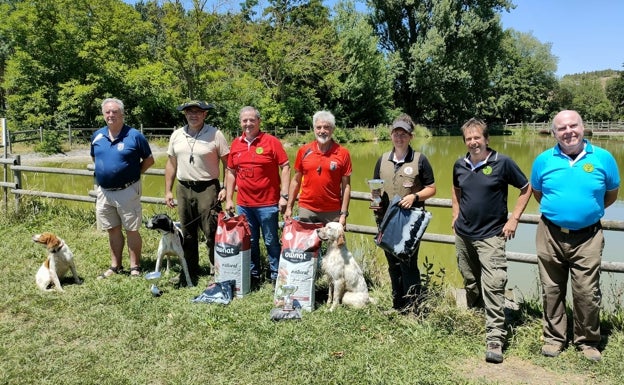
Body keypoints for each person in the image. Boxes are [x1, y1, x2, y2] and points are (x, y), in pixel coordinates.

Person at [531, 110, 620, 362]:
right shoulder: (543, 160)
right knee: (551, 289)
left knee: (587, 292)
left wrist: (585, 213)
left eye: (573, 125)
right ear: (553, 133)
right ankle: (554, 338)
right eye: (562, 128)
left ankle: (588, 340)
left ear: (583, 127)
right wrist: (561, 213)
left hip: (588, 236)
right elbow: (539, 193)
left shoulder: (604, 158)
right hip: (550, 232)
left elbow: (610, 195)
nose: (568, 131)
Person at [451, 118, 532, 364]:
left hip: (491, 236)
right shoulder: (459, 164)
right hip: (464, 235)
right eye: (469, 138)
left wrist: (514, 219)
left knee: (494, 285)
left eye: (477, 137)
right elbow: (456, 189)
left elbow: (526, 187)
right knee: (470, 279)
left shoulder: (502, 162)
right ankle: (476, 317)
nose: (473, 142)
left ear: (486, 139)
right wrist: (455, 214)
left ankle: (495, 337)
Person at [372, 114, 436, 314]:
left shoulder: (420, 159)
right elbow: (376, 188)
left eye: (404, 134)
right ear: (391, 135)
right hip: (386, 220)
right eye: (396, 133)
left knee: (408, 264)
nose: (399, 137)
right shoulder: (382, 160)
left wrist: (415, 197)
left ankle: (414, 308)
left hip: (409, 223)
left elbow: (432, 188)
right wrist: (374, 201)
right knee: (393, 264)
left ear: (411, 136)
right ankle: (397, 305)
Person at [164, 100, 230, 284]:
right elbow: (171, 164)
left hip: (207, 187)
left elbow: (228, 163)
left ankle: (215, 271)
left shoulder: (215, 134)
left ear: (205, 115)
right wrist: (168, 190)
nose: (193, 115)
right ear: (184, 114)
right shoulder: (177, 134)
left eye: (198, 112)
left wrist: (224, 187)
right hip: (184, 187)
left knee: (211, 230)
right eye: (189, 112)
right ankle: (189, 270)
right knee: (187, 231)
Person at [225, 106, 290, 287]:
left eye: (252, 120)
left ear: (259, 122)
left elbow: (285, 166)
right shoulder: (236, 144)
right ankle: (253, 274)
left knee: (271, 241)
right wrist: (229, 198)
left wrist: (284, 195)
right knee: (250, 241)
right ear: (240, 122)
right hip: (244, 204)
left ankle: (276, 275)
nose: (248, 124)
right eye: (244, 120)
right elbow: (230, 171)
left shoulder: (271, 141)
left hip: (268, 203)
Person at [92, 97, 155, 279]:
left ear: (122, 114)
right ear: (103, 115)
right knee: (112, 229)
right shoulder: (97, 136)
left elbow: (149, 160)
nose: (111, 115)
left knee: (131, 229)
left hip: (128, 191)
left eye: (114, 111)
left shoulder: (134, 135)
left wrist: (133, 175)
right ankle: (115, 265)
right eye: (107, 112)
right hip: (104, 192)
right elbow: (95, 159)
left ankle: (135, 266)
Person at [284, 111, 351, 226]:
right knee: (307, 244)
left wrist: (343, 213)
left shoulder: (343, 153)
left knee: (334, 244)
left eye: (326, 127)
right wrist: (289, 207)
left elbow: (346, 186)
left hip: (332, 211)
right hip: (307, 209)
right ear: (314, 129)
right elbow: (296, 181)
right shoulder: (304, 151)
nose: (322, 131)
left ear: (333, 129)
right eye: (318, 127)